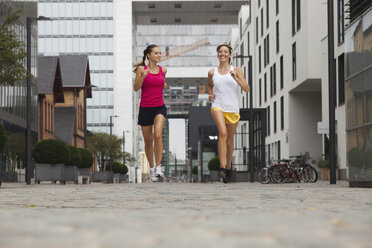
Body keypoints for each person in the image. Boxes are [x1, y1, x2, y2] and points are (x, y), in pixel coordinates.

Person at [207, 44, 250, 183]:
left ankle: (228, 166)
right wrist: (210, 94)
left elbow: (246, 88)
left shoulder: (236, 69)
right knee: (223, 133)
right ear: (218, 54)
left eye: (225, 52)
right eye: (220, 52)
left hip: (232, 108)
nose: (223, 54)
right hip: (218, 106)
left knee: (230, 141)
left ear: (230, 55)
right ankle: (222, 167)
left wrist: (236, 78)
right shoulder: (212, 72)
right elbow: (209, 85)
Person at [133, 44, 167, 182]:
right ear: (149, 55)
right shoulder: (142, 69)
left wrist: (164, 86)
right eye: (156, 53)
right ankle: (152, 168)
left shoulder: (163, 70)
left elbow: (160, 84)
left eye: (160, 53)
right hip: (145, 108)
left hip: (159, 107)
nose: (159, 55)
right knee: (148, 141)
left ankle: (158, 167)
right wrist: (142, 77)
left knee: (158, 135)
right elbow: (136, 88)